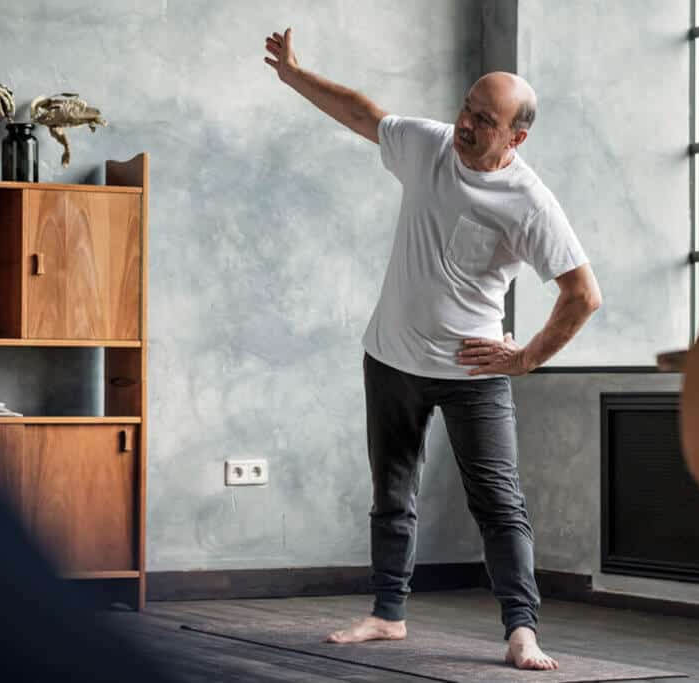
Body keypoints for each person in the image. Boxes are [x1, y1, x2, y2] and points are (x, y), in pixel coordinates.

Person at [264, 26, 602, 672]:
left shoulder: (530, 203)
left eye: (485, 120)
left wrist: (526, 357)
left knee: (499, 503)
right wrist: (295, 76)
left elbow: (583, 294)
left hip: (472, 373)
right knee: (392, 493)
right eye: (467, 108)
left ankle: (522, 630)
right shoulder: (429, 145)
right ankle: (387, 614)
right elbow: (362, 113)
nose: (465, 124)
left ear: (516, 138)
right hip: (391, 358)